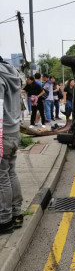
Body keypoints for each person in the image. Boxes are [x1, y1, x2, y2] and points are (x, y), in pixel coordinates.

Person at [0, 56, 24, 234]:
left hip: (3, 133)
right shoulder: (13, 73)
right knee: (10, 172)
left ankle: (4, 219)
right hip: (14, 131)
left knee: (2, 178)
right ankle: (16, 213)